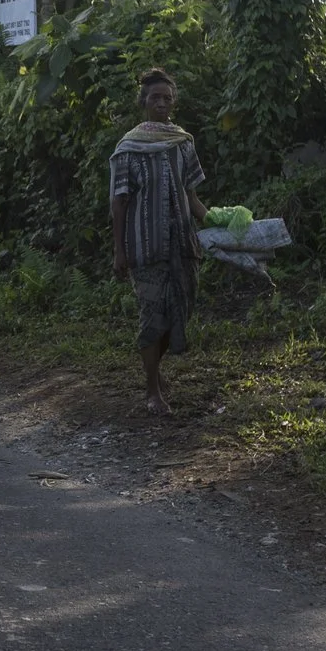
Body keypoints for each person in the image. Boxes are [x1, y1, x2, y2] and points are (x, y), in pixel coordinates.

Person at [109, 67, 208, 414]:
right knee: (153, 318)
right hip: (145, 249)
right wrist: (119, 251)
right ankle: (152, 391)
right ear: (143, 102)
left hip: (183, 246)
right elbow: (119, 202)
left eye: (167, 98)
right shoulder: (128, 148)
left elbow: (192, 197)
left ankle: (155, 370)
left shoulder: (182, 143)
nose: (162, 103)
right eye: (155, 98)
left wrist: (223, 226)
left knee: (180, 311)